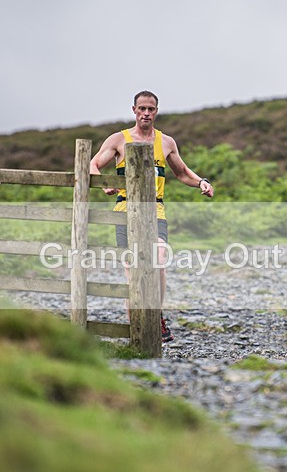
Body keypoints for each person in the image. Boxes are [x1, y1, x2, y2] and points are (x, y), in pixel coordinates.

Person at [90, 90, 214, 342]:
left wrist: (201, 181)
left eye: (151, 109)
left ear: (156, 111)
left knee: (159, 256)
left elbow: (181, 172)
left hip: (154, 208)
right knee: (133, 270)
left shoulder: (166, 142)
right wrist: (104, 184)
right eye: (142, 109)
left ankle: (155, 316)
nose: (146, 113)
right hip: (125, 209)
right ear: (134, 110)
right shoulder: (118, 139)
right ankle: (136, 327)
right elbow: (92, 164)